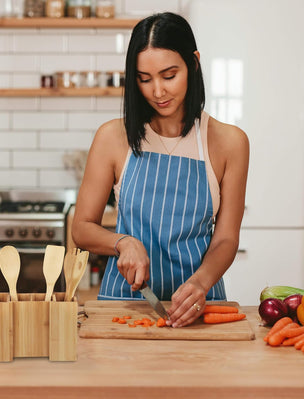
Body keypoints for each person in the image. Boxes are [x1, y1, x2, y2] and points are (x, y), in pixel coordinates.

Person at [72, 12, 249, 328]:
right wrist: (122, 242)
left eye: (169, 75)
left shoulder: (229, 143)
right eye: (144, 78)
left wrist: (201, 283)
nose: (157, 91)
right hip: (123, 307)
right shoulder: (113, 137)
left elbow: (225, 239)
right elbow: (82, 227)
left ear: (193, 63)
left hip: (201, 307)